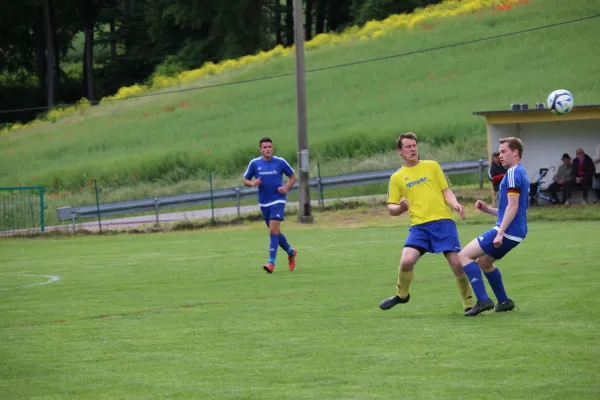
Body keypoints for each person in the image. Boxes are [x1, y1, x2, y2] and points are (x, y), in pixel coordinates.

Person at [379, 132, 475, 313]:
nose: (413, 149)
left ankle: (469, 304)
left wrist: (455, 204)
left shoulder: (432, 166)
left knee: (457, 263)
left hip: (443, 222)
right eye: (408, 146)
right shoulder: (397, 178)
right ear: (400, 151)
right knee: (406, 260)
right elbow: (391, 207)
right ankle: (401, 295)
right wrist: (400, 208)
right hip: (419, 227)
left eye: (414, 145)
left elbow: (446, 191)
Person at [458, 137, 530, 316]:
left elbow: (513, 207)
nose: (500, 156)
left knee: (464, 256)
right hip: (517, 231)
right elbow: (510, 209)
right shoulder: (519, 172)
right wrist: (487, 210)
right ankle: (504, 302)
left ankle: (483, 300)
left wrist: (500, 233)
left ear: (515, 152)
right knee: (484, 261)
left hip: (508, 231)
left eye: (504, 151)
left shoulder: (513, 173)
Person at [243, 137, 297, 273]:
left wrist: (286, 188)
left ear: (272, 148)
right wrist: (252, 183)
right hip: (264, 203)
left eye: (269, 147)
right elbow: (245, 180)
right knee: (276, 232)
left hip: (278, 200)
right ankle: (290, 252)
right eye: (265, 147)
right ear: (260, 149)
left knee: (272, 231)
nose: (267, 149)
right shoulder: (255, 163)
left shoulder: (280, 162)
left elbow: (292, 177)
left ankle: (271, 263)